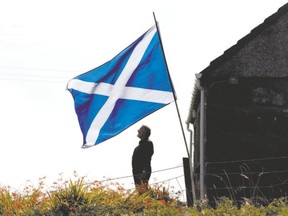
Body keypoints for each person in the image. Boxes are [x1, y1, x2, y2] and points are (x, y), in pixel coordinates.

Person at [132, 125, 154, 193]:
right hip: (137, 172)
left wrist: (144, 171)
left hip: (143, 171)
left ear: (144, 132)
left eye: (140, 129)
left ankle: (147, 202)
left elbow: (147, 158)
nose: (138, 130)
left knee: (143, 191)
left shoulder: (148, 143)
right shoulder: (141, 145)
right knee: (139, 191)